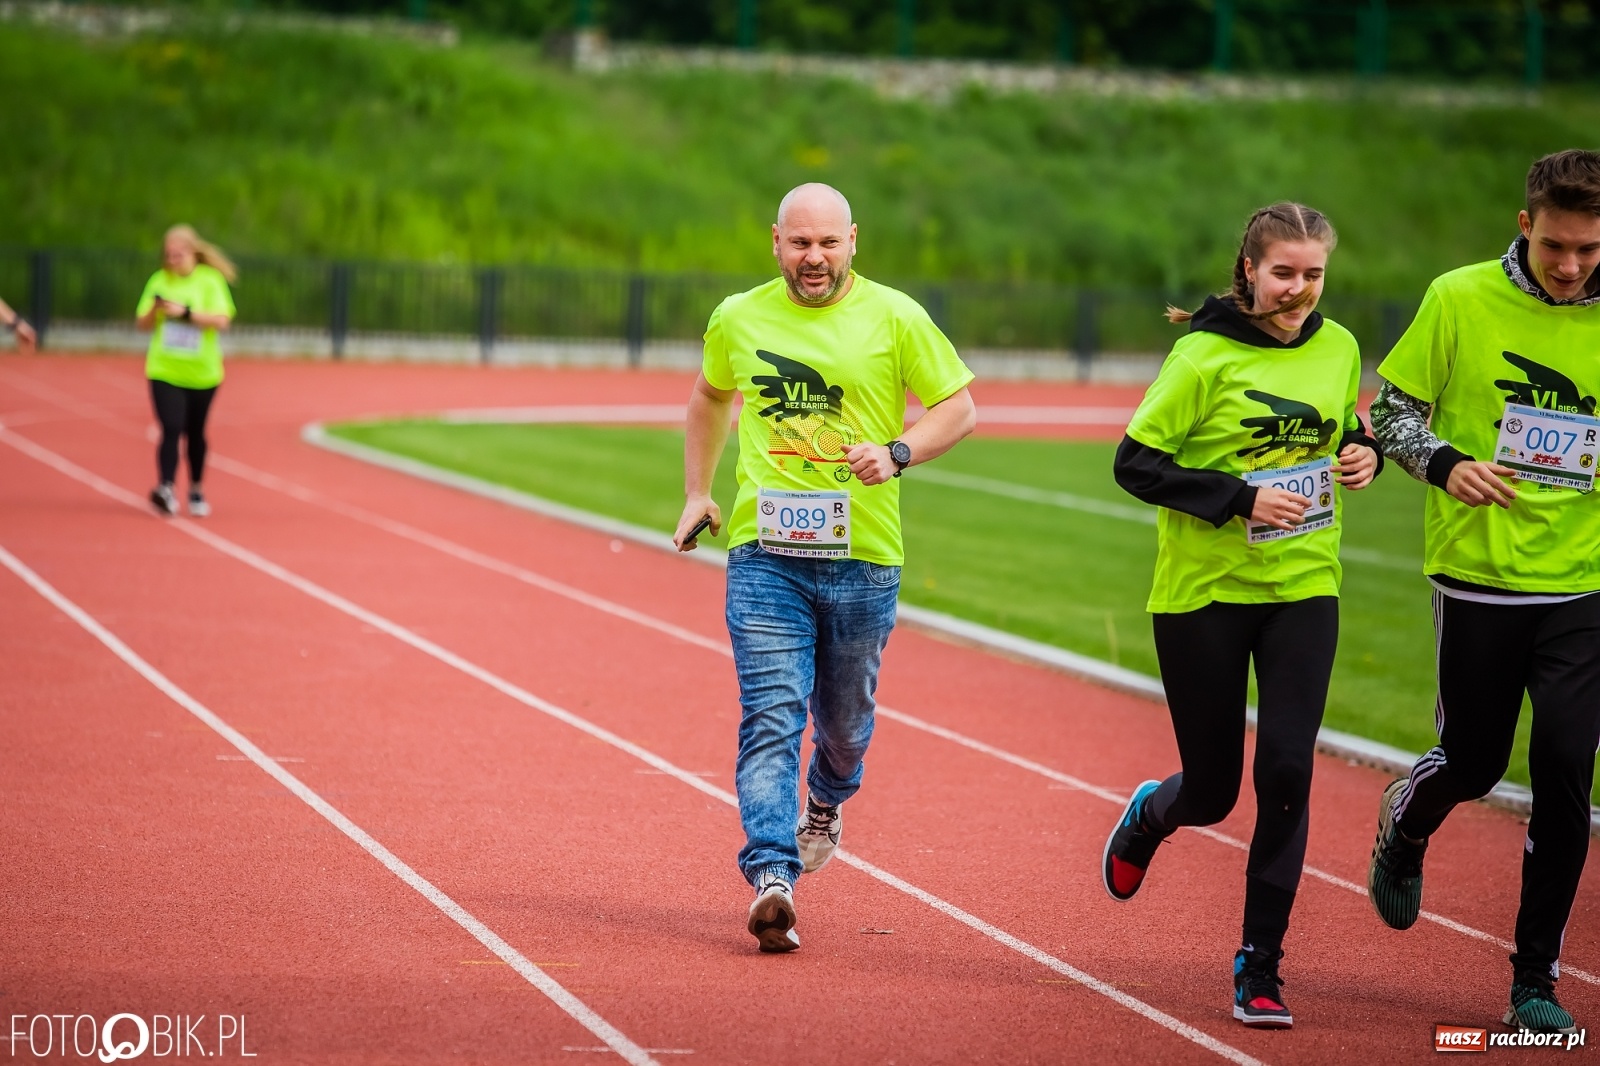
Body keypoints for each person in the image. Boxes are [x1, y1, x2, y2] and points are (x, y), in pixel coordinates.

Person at [674, 183, 976, 953]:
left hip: (863, 560)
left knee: (843, 728)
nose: (814, 258)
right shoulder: (737, 317)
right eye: (800, 243)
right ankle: (773, 875)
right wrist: (698, 493)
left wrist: (897, 451)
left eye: (828, 244)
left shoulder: (895, 315)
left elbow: (959, 407)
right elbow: (709, 397)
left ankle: (827, 800)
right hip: (763, 556)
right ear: (775, 241)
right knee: (771, 715)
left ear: (853, 242)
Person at [1102, 203, 1382, 1028]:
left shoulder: (1338, 347)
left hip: (1303, 588)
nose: (1299, 290)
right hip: (1204, 595)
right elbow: (1134, 463)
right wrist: (1238, 499)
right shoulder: (1200, 358)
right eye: (1284, 273)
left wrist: (1360, 451)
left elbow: (1340, 427)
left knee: (1287, 774)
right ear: (1250, 271)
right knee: (1216, 790)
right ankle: (1154, 812)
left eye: (1314, 274)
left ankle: (1261, 968)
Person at [1366, 149, 1600, 1036]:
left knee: (1567, 778)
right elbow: (1388, 413)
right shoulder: (1458, 297)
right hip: (1478, 580)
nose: (1573, 267)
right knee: (1473, 763)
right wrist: (1446, 463)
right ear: (1524, 226)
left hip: (1583, 586)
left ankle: (1533, 979)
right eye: (1556, 248)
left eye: (1590, 250)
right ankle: (1409, 816)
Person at [134, 225, 237, 517]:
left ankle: (195, 487)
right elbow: (142, 324)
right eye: (167, 255)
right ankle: (165, 487)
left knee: (195, 432)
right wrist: (157, 310)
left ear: (192, 252)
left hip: (203, 372)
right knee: (171, 427)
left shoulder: (210, 281)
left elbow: (222, 320)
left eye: (177, 254)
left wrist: (186, 313)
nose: (172, 260)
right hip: (164, 368)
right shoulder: (159, 280)